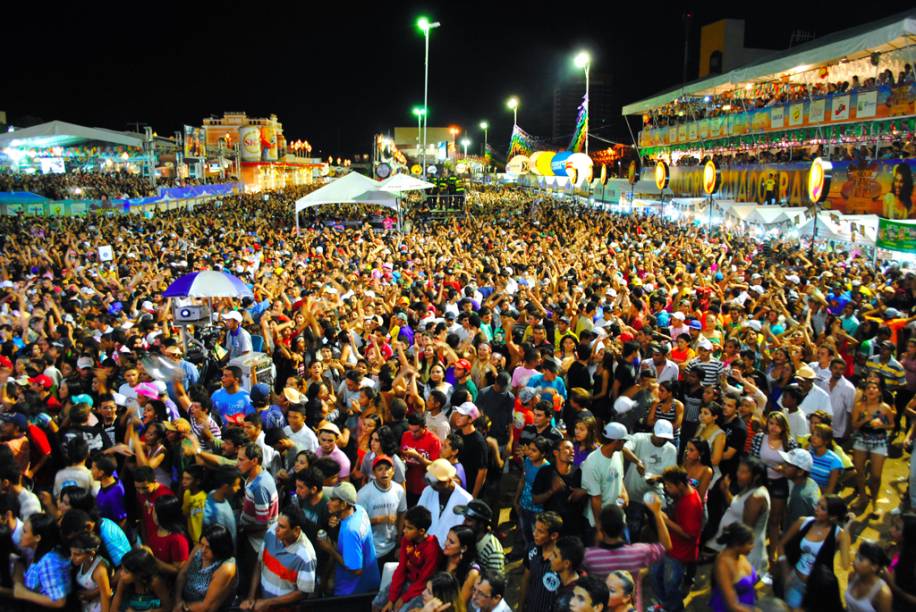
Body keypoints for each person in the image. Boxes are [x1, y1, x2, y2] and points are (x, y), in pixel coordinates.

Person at [583, 497, 672, 611]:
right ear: (623, 528)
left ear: (601, 529)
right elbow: (666, 546)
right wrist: (657, 513)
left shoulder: (589, 557)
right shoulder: (637, 552)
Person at [776, 495, 852, 611]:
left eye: (822, 508)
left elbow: (845, 564)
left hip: (817, 588)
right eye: (817, 505)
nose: (816, 509)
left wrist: (846, 529)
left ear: (832, 516)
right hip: (795, 580)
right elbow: (781, 545)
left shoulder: (839, 535)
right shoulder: (803, 522)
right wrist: (784, 567)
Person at [241, 504, 316, 610]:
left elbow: (302, 593)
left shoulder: (306, 556)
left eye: (282, 527)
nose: (276, 529)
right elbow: (259, 564)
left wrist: (268, 603)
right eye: (277, 523)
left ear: (296, 530)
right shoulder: (271, 532)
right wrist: (251, 596)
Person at [652, 466, 703, 612]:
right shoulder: (684, 490)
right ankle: (665, 604)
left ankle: (673, 608)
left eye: (669, 486)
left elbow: (689, 534)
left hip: (679, 552)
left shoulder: (691, 504)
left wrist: (666, 520)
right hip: (669, 545)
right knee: (655, 575)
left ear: (680, 485)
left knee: (670, 584)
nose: (666, 489)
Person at [708, 457, 770, 575]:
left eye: (743, 472)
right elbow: (736, 505)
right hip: (736, 550)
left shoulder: (756, 497)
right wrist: (726, 491)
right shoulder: (747, 488)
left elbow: (745, 531)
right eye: (738, 471)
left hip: (746, 555)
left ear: (756, 476)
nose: (738, 475)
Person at [373, 505, 441, 612]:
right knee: (377, 603)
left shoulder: (432, 548)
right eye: (404, 526)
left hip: (421, 588)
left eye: (409, 528)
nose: (404, 531)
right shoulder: (406, 540)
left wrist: (403, 598)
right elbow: (401, 569)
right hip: (406, 580)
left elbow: (424, 580)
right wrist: (392, 598)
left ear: (422, 531)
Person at [319, 482, 380, 596]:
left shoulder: (350, 531)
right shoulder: (359, 509)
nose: (328, 503)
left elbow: (356, 569)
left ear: (343, 505)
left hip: (353, 591)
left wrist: (330, 549)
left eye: (332, 500)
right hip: (370, 580)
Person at [851, 380, 896, 518]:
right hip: (861, 440)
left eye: (874, 387)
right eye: (868, 388)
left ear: (879, 392)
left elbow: (892, 425)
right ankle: (863, 497)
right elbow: (854, 425)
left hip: (879, 442)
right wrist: (866, 419)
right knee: (859, 472)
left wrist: (881, 426)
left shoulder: (885, 408)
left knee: (876, 476)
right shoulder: (859, 406)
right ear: (864, 392)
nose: (871, 390)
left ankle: (875, 501)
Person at [10, 513, 71, 608]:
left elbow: (59, 601)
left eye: (25, 532)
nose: (21, 535)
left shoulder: (49, 561)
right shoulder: (36, 552)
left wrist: (23, 593)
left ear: (37, 537)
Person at [174, 524, 238, 612]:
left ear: (219, 548)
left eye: (208, 547)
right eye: (202, 544)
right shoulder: (199, 548)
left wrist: (182, 608)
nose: (203, 550)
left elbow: (207, 606)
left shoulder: (226, 568)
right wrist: (178, 600)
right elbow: (183, 573)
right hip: (183, 603)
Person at [357, 454, 407, 565]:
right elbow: (356, 524)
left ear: (393, 471)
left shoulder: (399, 490)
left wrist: (399, 541)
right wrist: (379, 519)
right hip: (371, 549)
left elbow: (402, 513)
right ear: (374, 473)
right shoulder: (363, 494)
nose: (384, 472)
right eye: (380, 469)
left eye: (387, 468)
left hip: (392, 547)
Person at [581, 422, 629, 537]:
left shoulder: (618, 454)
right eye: (624, 441)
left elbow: (619, 480)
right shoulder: (592, 463)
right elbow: (595, 499)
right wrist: (599, 527)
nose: (625, 444)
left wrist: (623, 496)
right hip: (600, 523)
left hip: (618, 518)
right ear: (617, 441)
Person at [519, 510, 564, 612]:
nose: (535, 533)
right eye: (535, 529)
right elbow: (526, 579)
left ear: (554, 536)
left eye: (540, 531)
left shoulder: (562, 559)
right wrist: (520, 607)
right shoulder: (531, 549)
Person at [710, 523, 757, 612]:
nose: (753, 546)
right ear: (737, 544)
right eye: (750, 543)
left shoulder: (740, 556)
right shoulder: (723, 565)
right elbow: (733, 605)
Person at [111, 547, 172, 612]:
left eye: (126, 571)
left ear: (140, 573)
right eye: (121, 569)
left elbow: (168, 607)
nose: (121, 574)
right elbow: (114, 607)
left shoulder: (155, 583)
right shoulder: (123, 581)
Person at [401, 412, 442, 507]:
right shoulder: (405, 435)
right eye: (410, 430)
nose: (412, 434)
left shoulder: (434, 441)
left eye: (416, 431)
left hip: (425, 488)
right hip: (407, 485)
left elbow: (435, 467)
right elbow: (402, 455)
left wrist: (418, 457)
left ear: (425, 427)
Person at [455, 499, 504, 575]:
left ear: (481, 524)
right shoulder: (468, 537)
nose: (464, 522)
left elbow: (495, 581)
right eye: (464, 518)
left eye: (469, 520)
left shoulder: (494, 551)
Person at [845, 539, 892, 612]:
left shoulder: (883, 594)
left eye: (860, 559)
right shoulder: (852, 576)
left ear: (874, 566)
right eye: (856, 556)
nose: (854, 561)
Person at [70, 532, 112, 612]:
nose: (72, 557)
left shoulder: (99, 571)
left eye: (77, 554)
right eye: (71, 553)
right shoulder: (82, 563)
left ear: (91, 554)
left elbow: (106, 597)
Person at [781, 448, 821, 527]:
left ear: (800, 472)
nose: (783, 466)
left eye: (788, 465)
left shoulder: (799, 497)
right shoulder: (811, 482)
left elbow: (797, 527)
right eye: (785, 463)